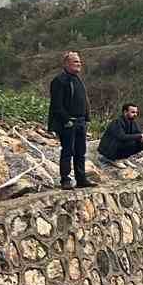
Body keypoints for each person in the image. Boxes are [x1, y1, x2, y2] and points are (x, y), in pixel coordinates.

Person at [47, 51, 92, 189]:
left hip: (80, 122)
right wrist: (67, 120)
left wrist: (86, 118)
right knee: (67, 151)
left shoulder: (77, 79)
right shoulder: (59, 81)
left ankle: (81, 178)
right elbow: (57, 105)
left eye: (79, 61)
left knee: (80, 152)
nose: (79, 64)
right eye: (75, 62)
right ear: (66, 63)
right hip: (68, 123)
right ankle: (65, 180)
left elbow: (84, 99)